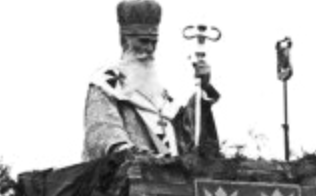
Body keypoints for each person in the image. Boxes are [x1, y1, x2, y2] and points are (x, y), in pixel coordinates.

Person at [83, 0, 221, 162]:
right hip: (127, 179)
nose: (149, 49)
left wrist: (202, 93)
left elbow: (186, 134)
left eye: (153, 42)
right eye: (143, 41)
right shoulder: (106, 83)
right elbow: (102, 129)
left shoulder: (159, 94)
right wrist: (128, 152)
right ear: (126, 40)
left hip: (168, 180)